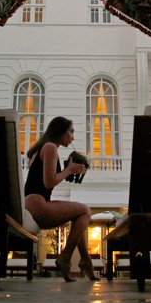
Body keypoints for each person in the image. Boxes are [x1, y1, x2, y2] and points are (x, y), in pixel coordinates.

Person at [24, 116, 97, 282]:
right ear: (61, 131)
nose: (73, 137)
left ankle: (85, 260)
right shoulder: (50, 147)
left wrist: (67, 170)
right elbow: (49, 182)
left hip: (35, 203)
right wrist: (69, 170)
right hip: (37, 205)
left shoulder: (44, 148)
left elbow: (47, 180)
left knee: (80, 215)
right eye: (71, 131)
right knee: (85, 210)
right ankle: (65, 257)